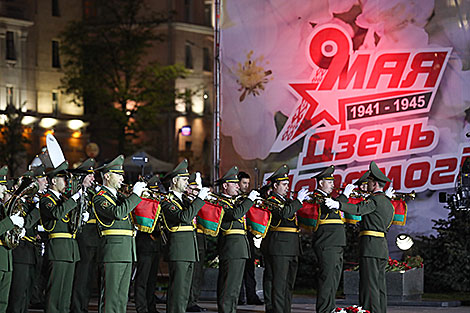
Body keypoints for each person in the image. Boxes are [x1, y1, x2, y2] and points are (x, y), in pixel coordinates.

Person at [325, 161, 395, 313]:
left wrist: (338, 205)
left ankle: (370, 311)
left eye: (369, 181)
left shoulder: (374, 200)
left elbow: (358, 209)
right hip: (381, 247)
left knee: (369, 286)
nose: (367, 184)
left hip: (370, 247)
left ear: (375, 183)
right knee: (379, 285)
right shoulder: (389, 203)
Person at [93, 155, 146, 313]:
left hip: (126, 252)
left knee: (122, 298)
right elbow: (118, 212)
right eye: (118, 174)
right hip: (113, 253)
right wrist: (135, 195)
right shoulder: (100, 198)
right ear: (107, 176)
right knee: (110, 297)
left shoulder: (120, 196)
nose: (122, 178)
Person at [160, 160, 209, 313]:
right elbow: (184, 217)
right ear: (175, 181)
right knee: (178, 289)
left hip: (189, 249)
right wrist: (199, 198)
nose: (187, 182)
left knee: (185, 290)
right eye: (185, 179)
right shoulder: (168, 200)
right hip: (179, 249)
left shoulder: (185, 200)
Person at [262, 165, 308, 313]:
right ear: (275, 185)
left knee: (288, 283)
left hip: (292, 247)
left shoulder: (287, 201)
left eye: (288, 184)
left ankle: (285, 310)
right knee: (279, 282)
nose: (287, 187)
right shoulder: (271, 200)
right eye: (284, 184)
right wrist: (298, 201)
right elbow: (284, 214)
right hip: (279, 247)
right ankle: (277, 310)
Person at [39, 161, 83, 313]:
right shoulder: (46, 200)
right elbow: (57, 214)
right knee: (55, 293)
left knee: (65, 294)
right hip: (58, 249)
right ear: (53, 181)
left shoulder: (63, 200)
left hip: (70, 249)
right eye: (62, 179)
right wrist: (73, 200)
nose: (66, 183)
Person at [216, 166, 259, 313]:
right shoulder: (220, 202)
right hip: (231, 248)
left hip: (240, 248)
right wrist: (249, 200)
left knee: (234, 289)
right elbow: (235, 214)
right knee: (228, 287)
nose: (237, 186)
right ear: (225, 185)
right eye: (234, 183)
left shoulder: (236, 201)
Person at [7, 165, 46, 313]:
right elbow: (27, 222)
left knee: (26, 293)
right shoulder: (16, 203)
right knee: (18, 294)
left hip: (30, 252)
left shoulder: (28, 203)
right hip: (21, 253)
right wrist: (37, 208)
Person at [311, 166, 347, 313]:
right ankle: (324, 310)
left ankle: (330, 307)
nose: (333, 184)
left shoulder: (330, 198)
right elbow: (328, 209)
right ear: (320, 183)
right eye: (329, 181)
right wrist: (344, 196)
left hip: (336, 243)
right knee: (327, 279)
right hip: (327, 243)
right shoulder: (317, 197)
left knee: (334, 279)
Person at [70, 158, 99, 313]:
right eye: (90, 175)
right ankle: (77, 307)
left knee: (88, 278)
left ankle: (83, 306)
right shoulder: (76, 193)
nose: (93, 178)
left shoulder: (93, 192)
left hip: (94, 239)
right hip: (83, 239)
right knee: (81, 276)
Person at [134, 175, 162, 313]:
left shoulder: (157, 203)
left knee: (152, 280)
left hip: (155, 245)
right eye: (153, 191)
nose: (156, 195)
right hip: (144, 244)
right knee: (142, 279)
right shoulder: (144, 202)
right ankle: (141, 307)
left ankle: (151, 307)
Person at [0, 165, 25, 313]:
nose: (4, 190)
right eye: (1, 186)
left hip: (6, 259)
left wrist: (18, 231)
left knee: (3, 301)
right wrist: (11, 222)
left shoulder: (3, 207)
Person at [237, 171, 263, 306]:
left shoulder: (249, 197)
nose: (246, 186)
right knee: (238, 270)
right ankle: (239, 297)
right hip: (238, 236)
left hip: (249, 236)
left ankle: (252, 296)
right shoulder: (236, 198)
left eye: (248, 183)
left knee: (250, 269)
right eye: (244, 183)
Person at [186, 172, 208, 312]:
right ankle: (187, 301)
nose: (196, 192)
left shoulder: (199, 201)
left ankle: (193, 300)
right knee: (189, 274)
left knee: (198, 273)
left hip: (199, 240)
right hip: (189, 241)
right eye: (194, 189)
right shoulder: (185, 201)